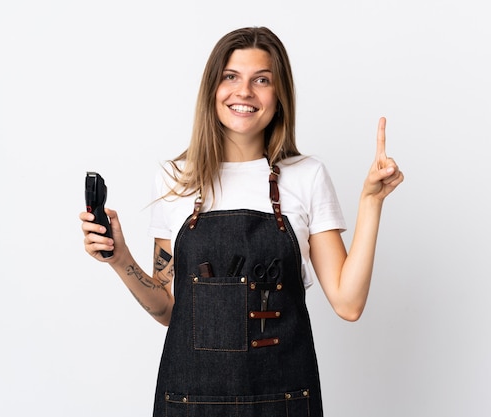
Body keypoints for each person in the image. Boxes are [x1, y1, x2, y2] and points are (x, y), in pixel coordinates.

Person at [80, 26, 403, 417]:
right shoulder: (175, 178)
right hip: (190, 404)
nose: (244, 92)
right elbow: (168, 309)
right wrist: (119, 258)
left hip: (283, 403)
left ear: (278, 96)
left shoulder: (306, 175)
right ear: (212, 89)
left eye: (261, 80)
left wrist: (371, 202)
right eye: (231, 77)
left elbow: (348, 304)